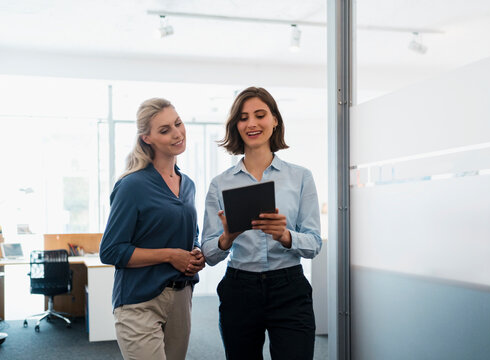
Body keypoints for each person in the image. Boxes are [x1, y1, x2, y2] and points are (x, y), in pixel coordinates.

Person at [201, 87, 322, 360]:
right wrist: (226, 239)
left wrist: (285, 236)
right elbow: (208, 254)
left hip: (289, 288)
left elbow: (314, 244)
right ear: (236, 125)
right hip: (239, 289)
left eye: (260, 115)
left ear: (275, 120)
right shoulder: (220, 183)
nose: (252, 124)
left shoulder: (301, 177)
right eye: (243, 118)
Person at [99, 98, 205, 360]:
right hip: (139, 301)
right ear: (147, 138)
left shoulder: (188, 184)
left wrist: (196, 251)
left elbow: (191, 234)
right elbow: (111, 251)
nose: (177, 133)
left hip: (181, 297)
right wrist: (170, 255)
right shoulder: (132, 186)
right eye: (165, 130)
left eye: (178, 124)